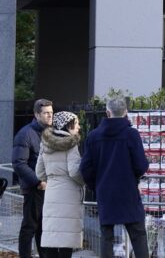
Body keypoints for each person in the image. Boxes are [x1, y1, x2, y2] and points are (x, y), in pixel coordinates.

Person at [80, 98, 150, 258]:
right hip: (129, 192)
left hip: (105, 193)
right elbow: (141, 165)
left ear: (107, 112)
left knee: (107, 236)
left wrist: (96, 185)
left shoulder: (93, 136)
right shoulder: (131, 134)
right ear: (126, 113)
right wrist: (135, 177)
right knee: (138, 236)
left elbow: (85, 168)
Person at [36, 111, 84, 258]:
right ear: (68, 125)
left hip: (51, 193)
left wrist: (52, 178)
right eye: (76, 123)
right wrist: (85, 181)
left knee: (52, 237)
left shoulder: (45, 143)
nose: (79, 127)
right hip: (68, 194)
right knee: (66, 242)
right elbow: (74, 172)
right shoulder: (71, 143)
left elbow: (39, 173)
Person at [13, 98, 53, 258]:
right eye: (46, 113)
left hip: (49, 188)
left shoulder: (51, 132)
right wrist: (38, 182)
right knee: (29, 226)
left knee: (44, 227)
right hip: (34, 189)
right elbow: (19, 163)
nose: (50, 116)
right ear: (37, 114)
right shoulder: (25, 134)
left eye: (51, 112)